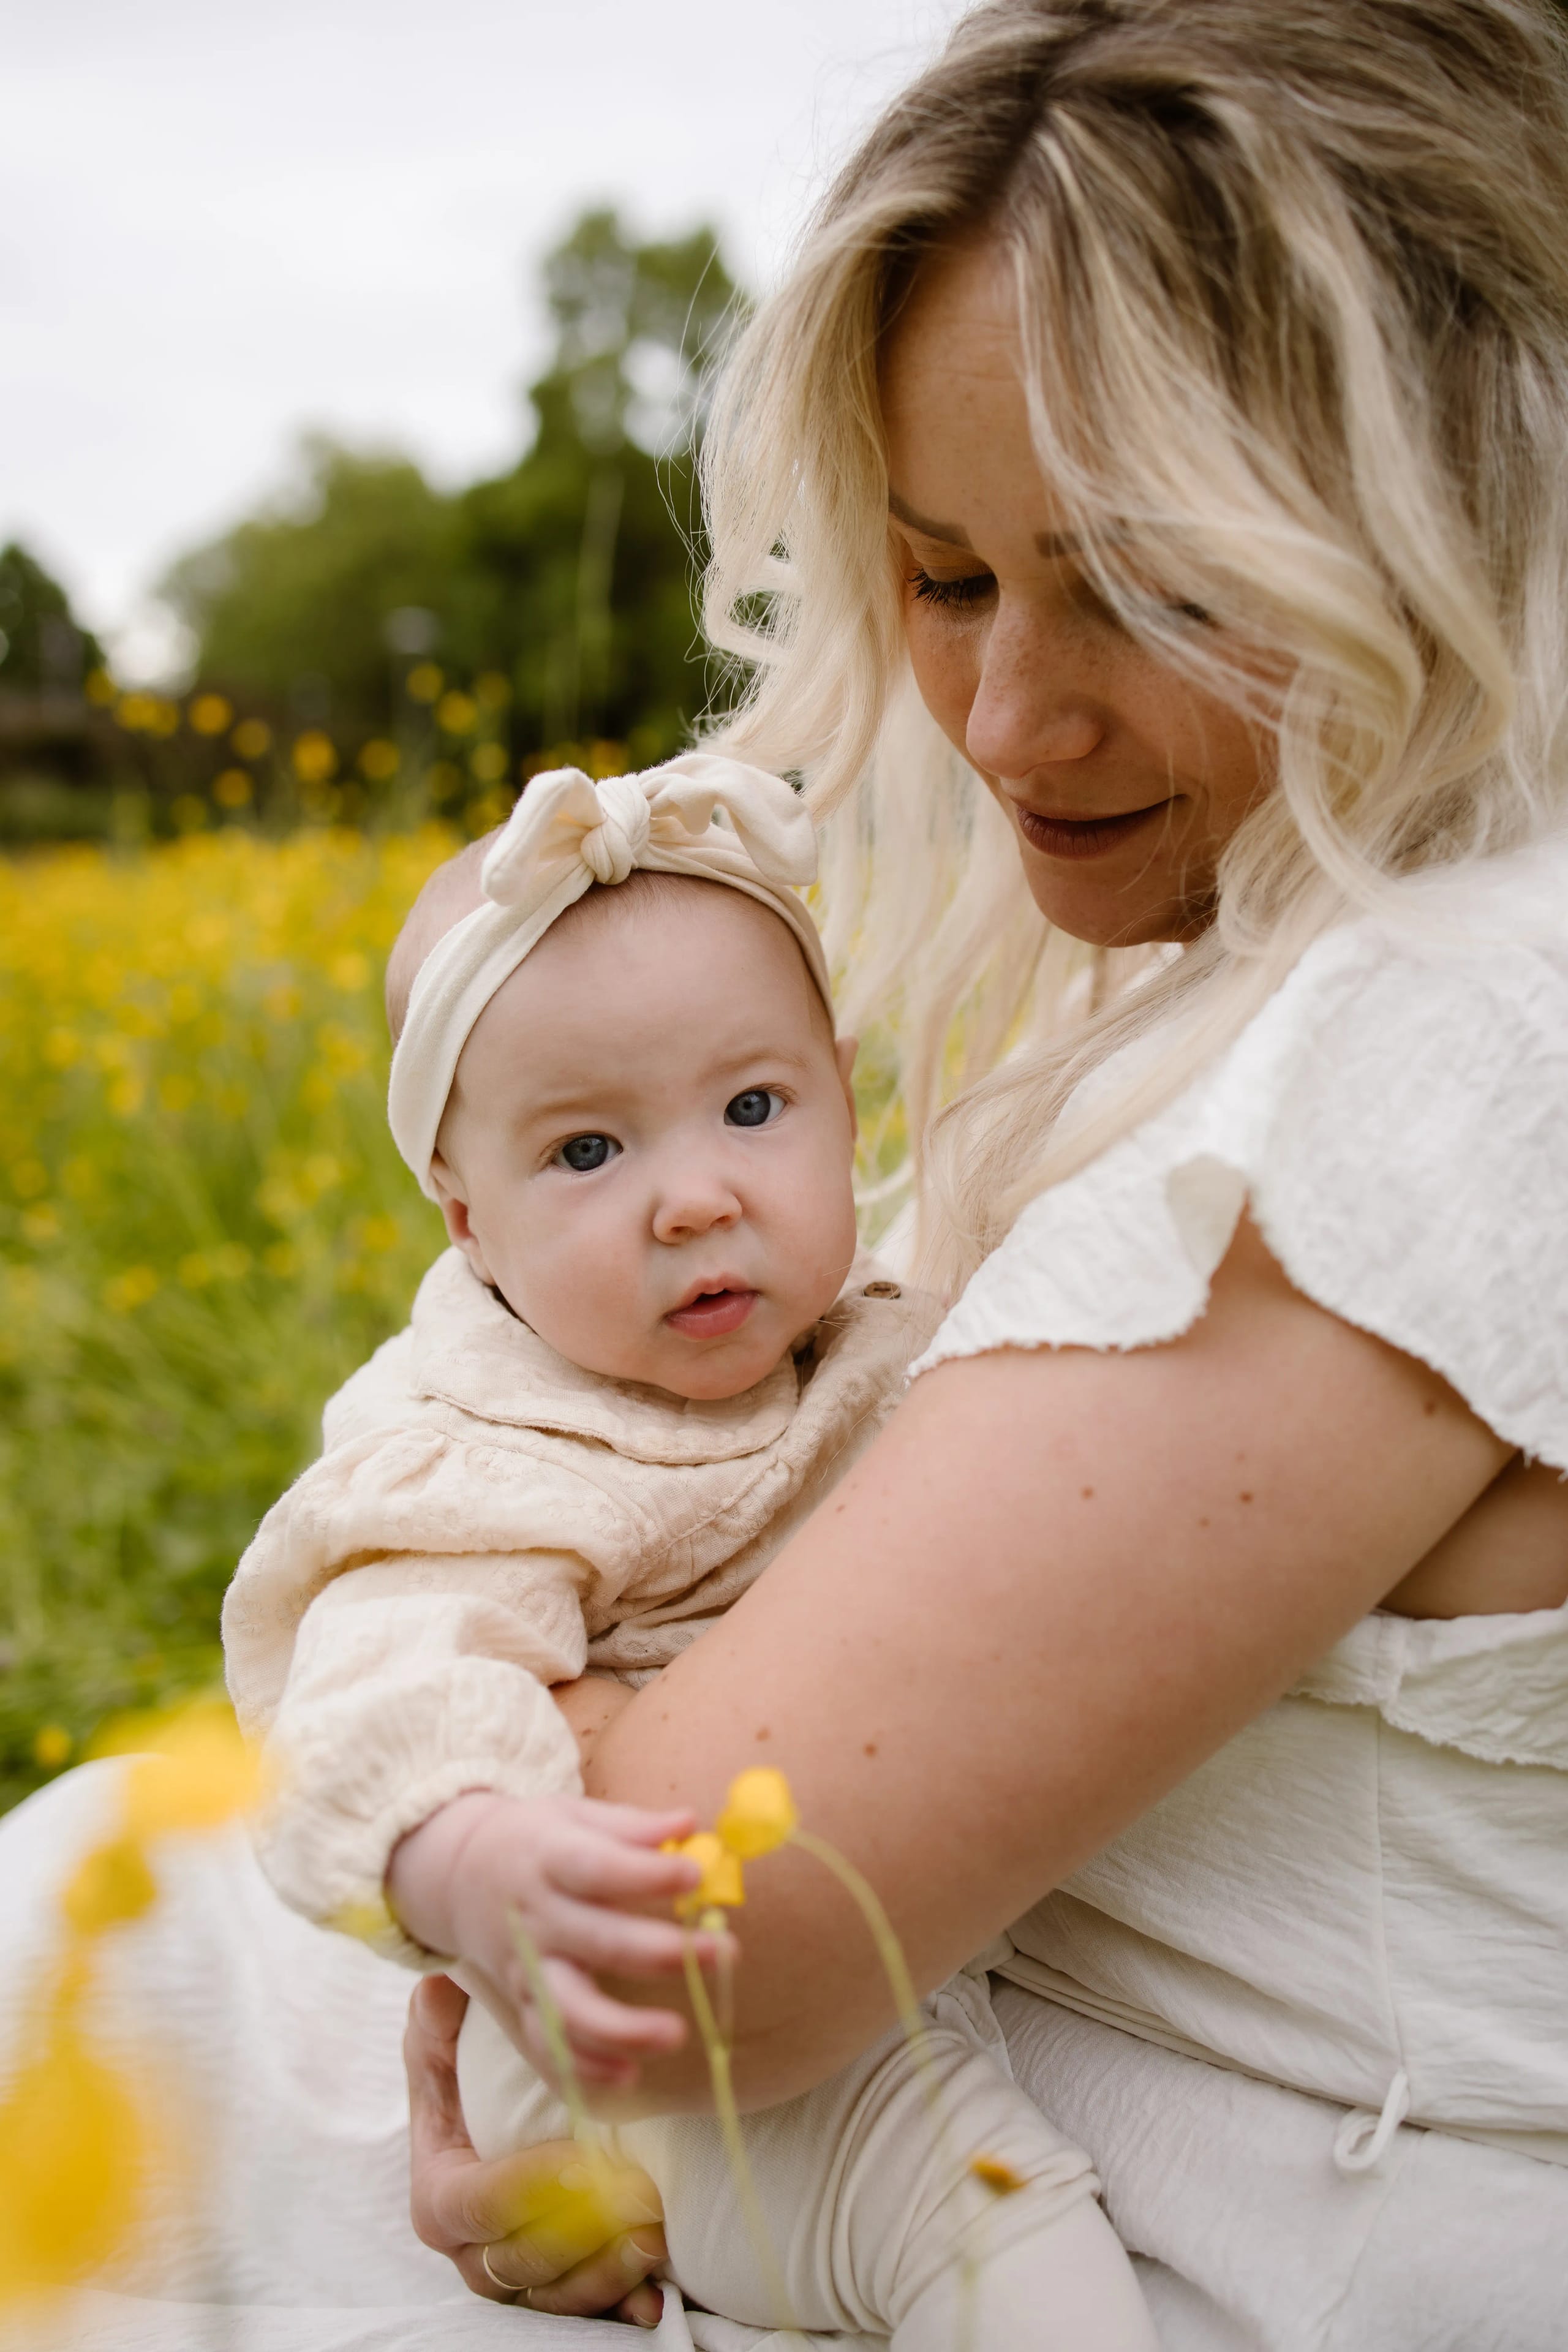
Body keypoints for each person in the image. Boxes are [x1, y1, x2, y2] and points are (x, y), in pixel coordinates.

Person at [2, 2, 1566, 2346]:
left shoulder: (1461, 1038)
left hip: (1150, 2236)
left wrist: (433, 1780)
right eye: (945, 580)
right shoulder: (1252, 960)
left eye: (1145, 581)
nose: (1013, 718)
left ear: (1458, 508)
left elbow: (709, 1946)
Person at [222, 748, 1155, 2349]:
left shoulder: (881, 1325)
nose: (695, 1198)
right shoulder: (489, 1452)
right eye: (589, 1153)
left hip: (900, 1959)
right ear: (463, 1218)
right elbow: (372, 1691)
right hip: (651, 2058)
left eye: (751, 1107)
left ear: (842, 1097)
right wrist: (467, 1855)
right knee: (992, 2221)